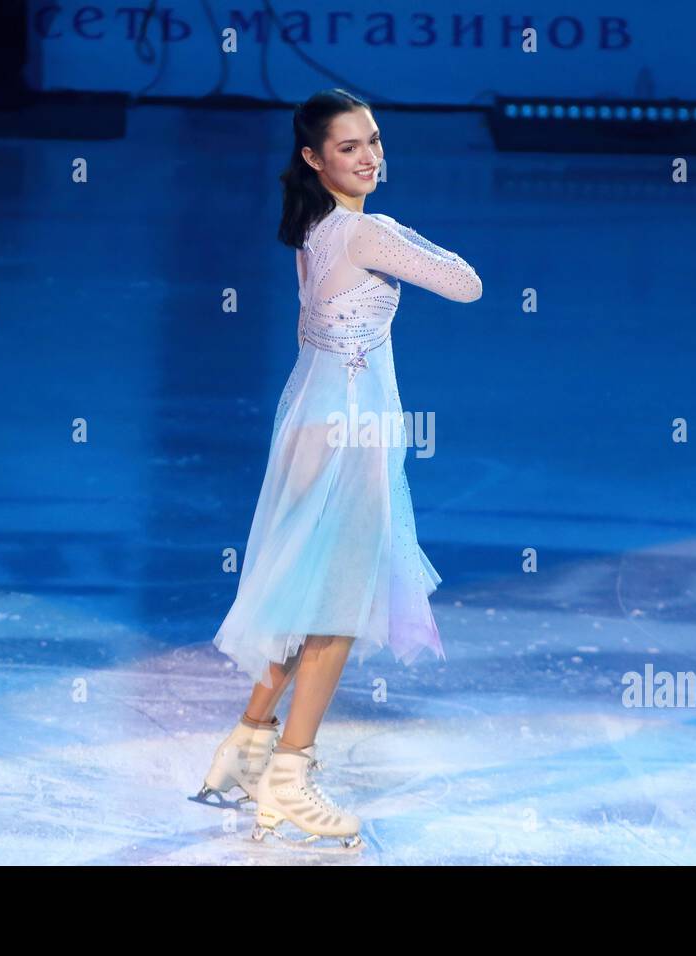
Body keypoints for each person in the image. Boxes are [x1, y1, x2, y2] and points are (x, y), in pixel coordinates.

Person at [194, 88, 482, 848]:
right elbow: (465, 281)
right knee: (337, 603)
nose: (371, 157)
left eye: (376, 142)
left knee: (302, 588)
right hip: (350, 434)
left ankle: (247, 746)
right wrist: (393, 230)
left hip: (317, 420)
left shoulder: (316, 228)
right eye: (350, 147)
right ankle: (292, 771)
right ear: (314, 160)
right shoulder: (363, 232)